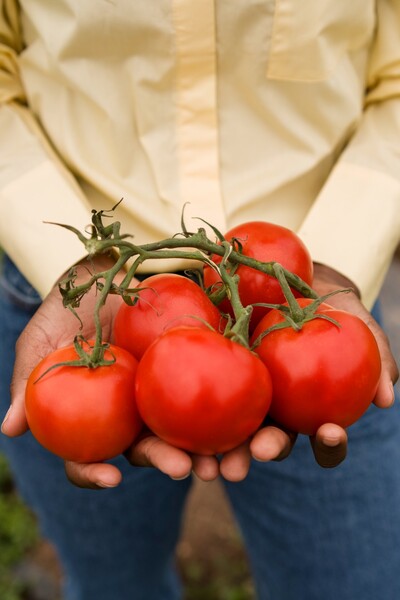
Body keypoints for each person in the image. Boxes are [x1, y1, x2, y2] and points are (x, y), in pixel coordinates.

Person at [0, 1, 399, 598]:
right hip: (87, 308)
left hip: (308, 294)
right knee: (114, 585)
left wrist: (341, 254)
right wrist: (73, 255)